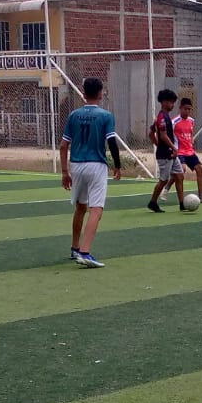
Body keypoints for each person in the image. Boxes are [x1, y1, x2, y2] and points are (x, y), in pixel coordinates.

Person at [58, 76, 123, 268]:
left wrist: (65, 172)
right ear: (101, 94)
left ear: (84, 94)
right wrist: (117, 165)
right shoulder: (106, 116)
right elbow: (111, 142)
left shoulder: (73, 115)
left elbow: (63, 145)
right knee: (96, 209)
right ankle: (85, 252)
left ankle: (75, 248)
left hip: (77, 165)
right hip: (96, 165)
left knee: (80, 207)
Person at [148, 88, 185, 212]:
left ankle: (182, 204)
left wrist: (158, 144)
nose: (173, 105)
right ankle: (153, 202)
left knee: (179, 175)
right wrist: (173, 147)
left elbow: (151, 133)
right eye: (171, 102)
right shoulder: (162, 117)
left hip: (170, 154)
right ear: (164, 102)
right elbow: (163, 135)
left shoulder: (164, 116)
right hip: (165, 154)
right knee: (164, 180)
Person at [173, 96, 202, 203]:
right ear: (180, 108)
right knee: (181, 171)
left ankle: (201, 196)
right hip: (179, 151)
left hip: (189, 151)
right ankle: (176, 195)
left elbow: (190, 134)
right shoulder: (174, 122)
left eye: (189, 109)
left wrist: (191, 141)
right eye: (185, 109)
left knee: (200, 169)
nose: (187, 111)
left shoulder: (191, 121)